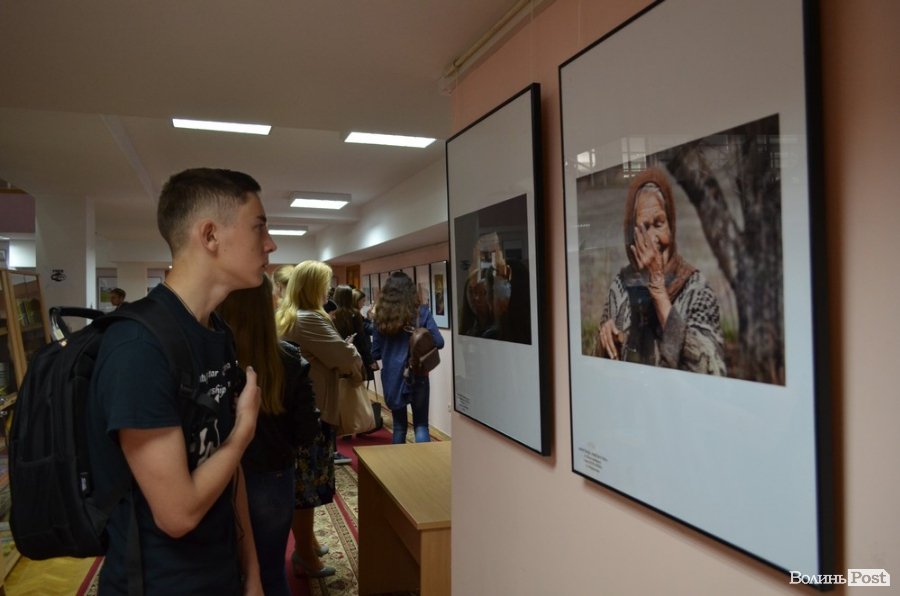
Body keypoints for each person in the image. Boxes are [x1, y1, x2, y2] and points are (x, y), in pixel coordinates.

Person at [87, 168, 277, 594]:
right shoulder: (138, 347)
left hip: (221, 573)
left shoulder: (216, 332)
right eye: (259, 227)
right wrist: (244, 431)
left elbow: (227, 469)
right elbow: (178, 515)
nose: (270, 243)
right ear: (210, 235)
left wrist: (252, 572)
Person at [216, 275, 320, 596]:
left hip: (218, 474)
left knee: (222, 573)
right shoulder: (288, 359)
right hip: (272, 475)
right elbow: (307, 431)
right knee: (271, 572)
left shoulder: (212, 359)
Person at [275, 260, 363, 577]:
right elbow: (346, 357)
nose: (328, 291)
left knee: (303, 485)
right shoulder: (310, 318)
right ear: (314, 288)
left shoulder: (290, 315)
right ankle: (305, 555)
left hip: (300, 411)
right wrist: (351, 352)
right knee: (307, 489)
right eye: (325, 285)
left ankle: (308, 543)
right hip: (314, 412)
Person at [594, 167, 727, 375]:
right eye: (644, 228)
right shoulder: (620, 288)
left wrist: (658, 291)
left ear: (671, 226)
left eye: (659, 224)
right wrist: (606, 343)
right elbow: (599, 370)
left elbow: (712, 370)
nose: (653, 239)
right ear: (631, 237)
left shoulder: (697, 289)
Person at [372, 271, 444, 444]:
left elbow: (375, 352)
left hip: (392, 377)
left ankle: (398, 462)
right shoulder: (421, 313)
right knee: (421, 425)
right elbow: (439, 342)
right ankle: (423, 461)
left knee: (399, 426)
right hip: (417, 374)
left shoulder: (380, 317)